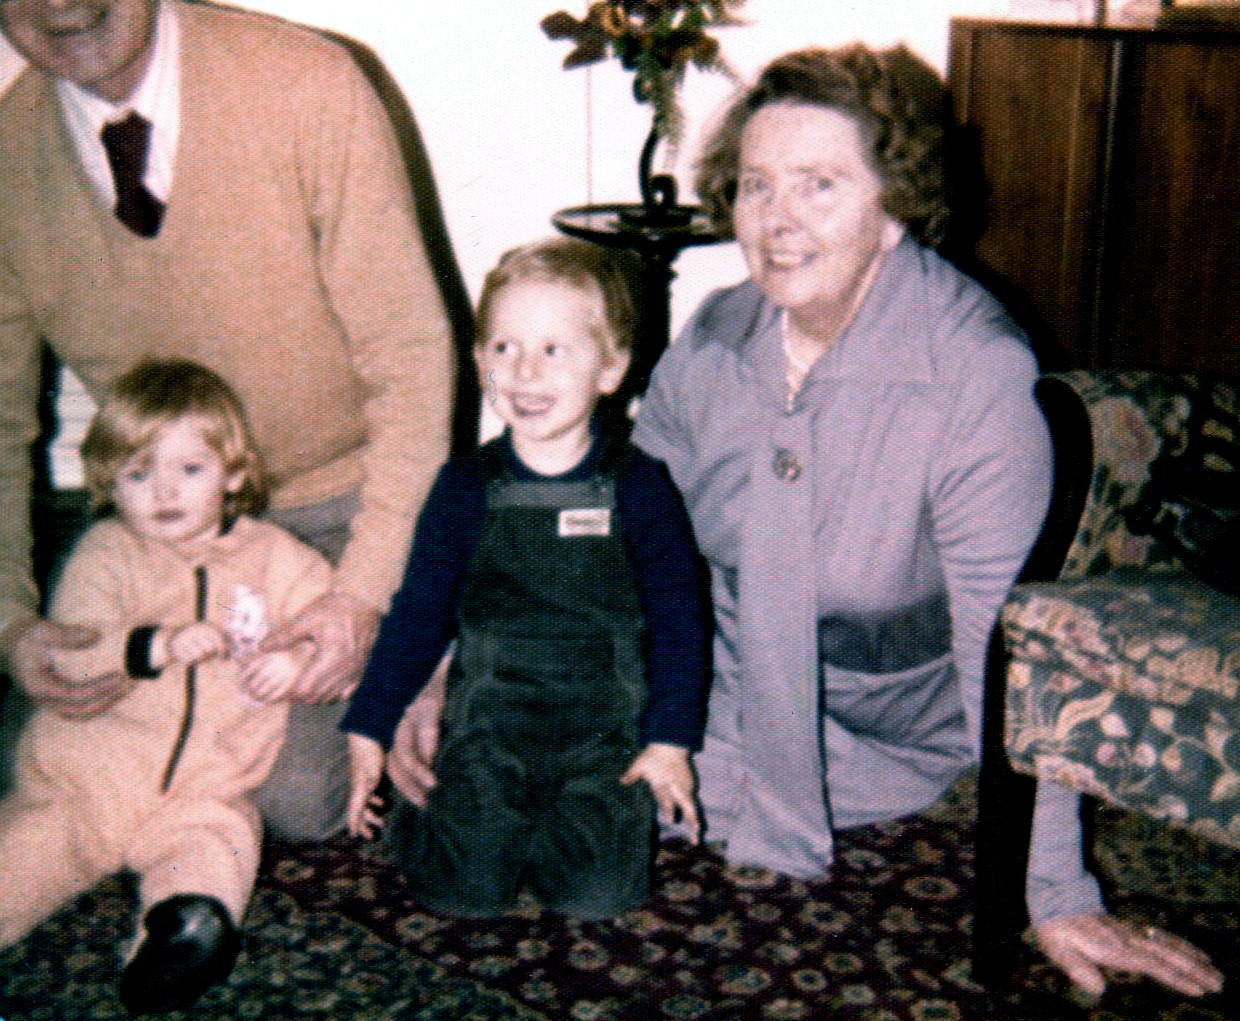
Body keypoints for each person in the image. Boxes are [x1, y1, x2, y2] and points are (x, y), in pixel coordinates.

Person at [0, 0, 454, 841]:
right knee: (34, 761)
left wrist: (360, 596)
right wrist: (10, 623)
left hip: (341, 515)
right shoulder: (5, 156)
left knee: (293, 797)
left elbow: (413, 363)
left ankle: (436, 630)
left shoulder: (308, 84)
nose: (59, 2)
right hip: (161, 529)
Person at [343, 238, 712, 918]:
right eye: (505, 348)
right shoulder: (462, 487)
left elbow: (682, 624)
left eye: (554, 349)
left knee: (598, 895)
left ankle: (554, 827)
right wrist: (370, 721)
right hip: (490, 724)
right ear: (480, 362)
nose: (525, 372)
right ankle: (436, 824)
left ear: (611, 367)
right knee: (463, 894)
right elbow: (418, 613)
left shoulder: (641, 487)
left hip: (602, 734)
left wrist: (670, 741)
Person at [0, 360, 333, 1014]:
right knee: (25, 853)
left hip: (208, 782)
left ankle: (184, 932)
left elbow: (331, 614)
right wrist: (150, 645)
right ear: (108, 483)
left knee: (219, 841)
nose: (163, 491)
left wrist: (297, 659)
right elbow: (68, 648)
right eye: (137, 472)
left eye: (190, 469)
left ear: (234, 473)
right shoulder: (107, 551)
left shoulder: (274, 556)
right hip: (85, 779)